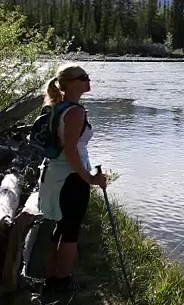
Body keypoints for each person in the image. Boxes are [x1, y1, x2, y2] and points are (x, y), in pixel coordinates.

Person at [37, 64, 108, 292]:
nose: (88, 80)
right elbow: (70, 151)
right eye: (83, 77)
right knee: (70, 230)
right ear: (70, 83)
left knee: (59, 227)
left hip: (54, 175)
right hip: (70, 178)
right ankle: (63, 281)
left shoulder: (58, 107)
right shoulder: (76, 112)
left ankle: (52, 278)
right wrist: (90, 178)